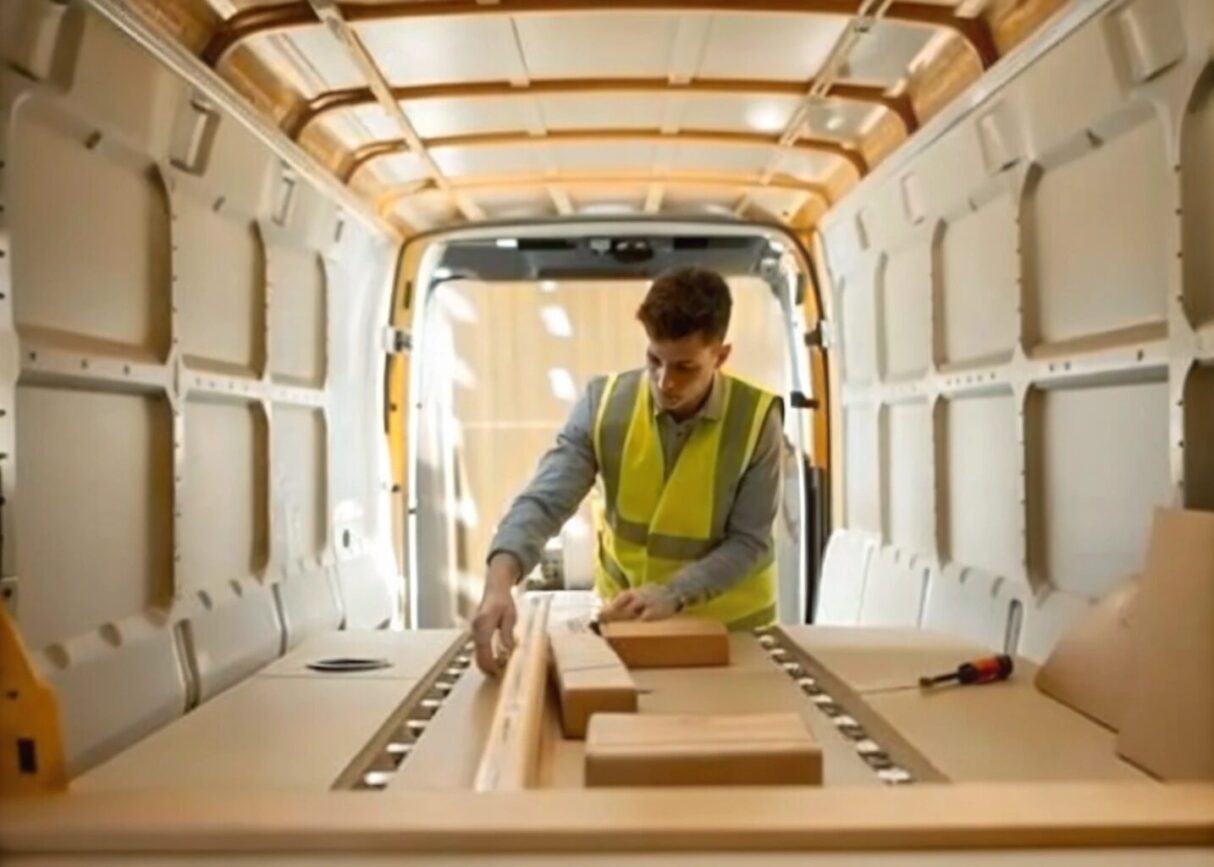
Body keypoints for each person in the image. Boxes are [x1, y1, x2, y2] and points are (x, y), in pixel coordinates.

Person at [472, 266, 784, 675]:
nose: (664, 381)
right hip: (629, 629)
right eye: (654, 359)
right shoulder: (604, 406)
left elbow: (749, 541)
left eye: (685, 367)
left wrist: (673, 593)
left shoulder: (756, 419)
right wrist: (499, 584)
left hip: (732, 638)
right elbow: (545, 501)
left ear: (720, 355)